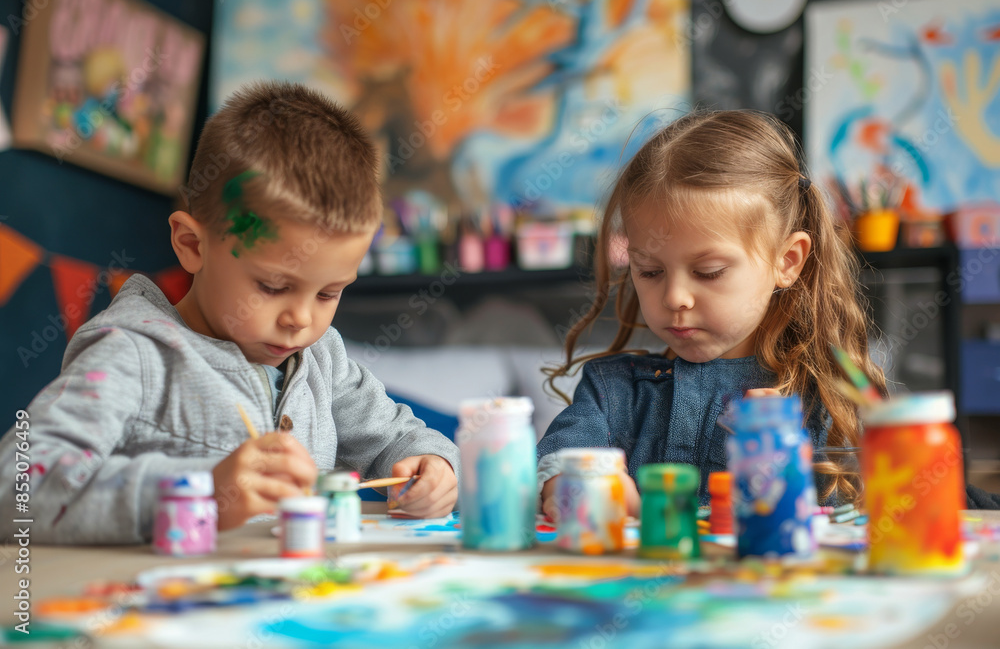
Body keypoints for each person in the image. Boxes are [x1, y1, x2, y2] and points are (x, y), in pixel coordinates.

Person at [0, 81, 459, 544]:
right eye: (273, 287)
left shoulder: (323, 357)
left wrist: (434, 466)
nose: (301, 319)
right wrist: (201, 491)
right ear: (192, 245)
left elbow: (400, 438)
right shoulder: (132, 355)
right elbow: (14, 490)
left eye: (328, 293)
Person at [537, 109, 886, 519]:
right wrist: (576, 486)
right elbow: (558, 467)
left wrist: (781, 458)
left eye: (709, 272)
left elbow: (860, 524)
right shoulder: (611, 392)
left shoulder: (827, 402)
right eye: (649, 271)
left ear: (787, 261)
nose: (675, 298)